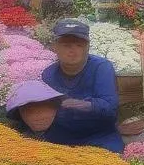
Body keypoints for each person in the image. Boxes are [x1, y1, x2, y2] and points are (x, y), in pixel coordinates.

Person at [41, 18, 122, 153]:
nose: (72, 50)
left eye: (79, 45)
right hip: (59, 138)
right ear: (55, 47)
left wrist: (80, 104)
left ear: (88, 47)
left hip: (100, 136)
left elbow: (110, 108)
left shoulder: (102, 68)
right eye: (66, 45)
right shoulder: (48, 74)